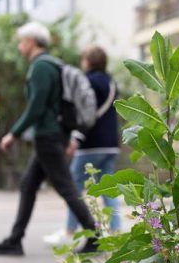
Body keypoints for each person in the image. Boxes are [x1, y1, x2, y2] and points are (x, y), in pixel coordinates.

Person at [0, 21, 98, 256]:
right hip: (52, 135)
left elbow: (37, 107)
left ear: (31, 42)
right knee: (29, 185)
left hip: (47, 136)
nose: (19, 46)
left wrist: (12, 134)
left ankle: (95, 236)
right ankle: (15, 239)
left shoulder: (41, 67)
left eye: (21, 41)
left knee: (66, 188)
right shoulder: (52, 65)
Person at [43, 45, 121, 245]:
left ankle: (69, 232)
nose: (81, 61)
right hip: (111, 144)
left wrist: (75, 138)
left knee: (73, 188)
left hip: (91, 143)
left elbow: (87, 113)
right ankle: (116, 232)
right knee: (108, 188)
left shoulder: (88, 82)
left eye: (83, 58)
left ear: (89, 61)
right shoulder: (111, 83)